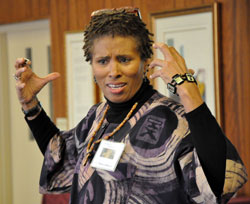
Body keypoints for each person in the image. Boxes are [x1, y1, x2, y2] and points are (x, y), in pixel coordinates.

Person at [14, 7, 247, 204]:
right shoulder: (96, 119)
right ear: (93, 66)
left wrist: (188, 90)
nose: (113, 72)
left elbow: (222, 183)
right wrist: (30, 105)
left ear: (145, 62)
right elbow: (60, 158)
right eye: (103, 61)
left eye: (124, 59)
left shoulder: (173, 119)